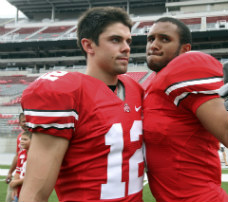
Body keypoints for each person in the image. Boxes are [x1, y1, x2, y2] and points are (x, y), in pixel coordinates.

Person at [143, 17, 228, 202]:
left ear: (185, 49)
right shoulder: (150, 85)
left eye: (164, 39)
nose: (154, 45)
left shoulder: (185, 67)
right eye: (151, 39)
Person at [19, 7, 144, 202]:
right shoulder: (68, 92)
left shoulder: (136, 89)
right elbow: (35, 193)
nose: (127, 47)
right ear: (89, 45)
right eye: (115, 40)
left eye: (128, 41)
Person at [5, 113, 28, 202]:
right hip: (19, 173)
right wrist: (10, 172)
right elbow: (18, 155)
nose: (26, 123)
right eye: (24, 121)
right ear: (19, 123)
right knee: (10, 198)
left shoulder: (37, 136)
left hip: (30, 176)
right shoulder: (20, 137)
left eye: (28, 121)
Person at [9, 131, 32, 202]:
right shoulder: (21, 153)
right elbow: (18, 171)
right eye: (21, 139)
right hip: (19, 190)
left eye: (25, 139)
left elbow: (34, 176)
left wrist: (17, 182)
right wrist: (14, 188)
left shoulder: (35, 155)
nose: (22, 141)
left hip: (30, 190)